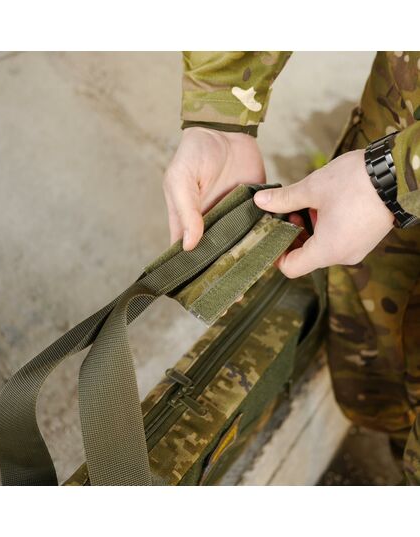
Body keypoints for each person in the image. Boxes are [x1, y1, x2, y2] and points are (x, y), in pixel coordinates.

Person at [162, 52, 420, 484]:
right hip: (389, 138)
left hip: (383, 175)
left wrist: (397, 178)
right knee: (376, 379)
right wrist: (221, 110)